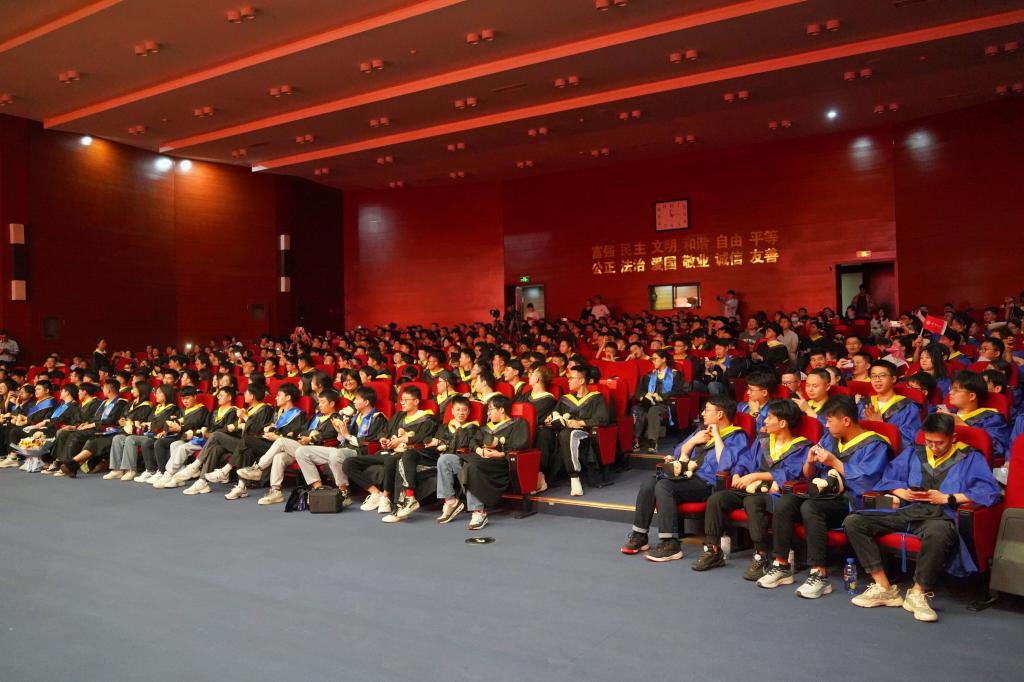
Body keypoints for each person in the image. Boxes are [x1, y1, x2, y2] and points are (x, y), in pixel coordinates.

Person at [843, 413, 1001, 622]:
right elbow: (889, 478)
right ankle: (883, 587)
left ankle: (917, 593)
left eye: (939, 443)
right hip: (909, 510)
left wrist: (948, 498)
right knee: (854, 521)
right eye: (929, 441)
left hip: (941, 515)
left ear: (953, 437)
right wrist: (902, 492)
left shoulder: (969, 456)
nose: (933, 447)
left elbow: (989, 492)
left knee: (939, 532)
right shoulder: (914, 451)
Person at [759, 396, 890, 596]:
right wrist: (809, 462)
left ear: (846, 420)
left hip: (852, 500)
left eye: (829, 420)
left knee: (811, 507)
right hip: (822, 493)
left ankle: (819, 574)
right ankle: (781, 564)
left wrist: (834, 462)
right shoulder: (830, 438)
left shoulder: (875, 444)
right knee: (786, 502)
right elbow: (809, 475)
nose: (825, 425)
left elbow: (867, 482)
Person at [621, 396, 750, 562]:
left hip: (707, 483)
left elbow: (725, 465)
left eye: (707, 410)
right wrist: (694, 441)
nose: (702, 413)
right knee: (649, 483)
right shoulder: (701, 430)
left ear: (720, 414)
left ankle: (671, 544)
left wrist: (717, 437)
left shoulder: (737, 436)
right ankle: (640, 535)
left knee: (664, 486)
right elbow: (678, 453)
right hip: (686, 476)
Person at [691, 399, 811, 578]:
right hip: (749, 487)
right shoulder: (763, 441)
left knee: (753, 502)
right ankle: (713, 550)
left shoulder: (801, 447)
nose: (764, 421)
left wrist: (756, 476)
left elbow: (792, 473)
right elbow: (745, 460)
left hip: (775, 493)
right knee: (717, 499)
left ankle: (761, 556)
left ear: (782, 423)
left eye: (769, 417)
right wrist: (738, 474)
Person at [436, 395, 528, 530]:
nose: (488, 413)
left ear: (501, 409)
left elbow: (520, 445)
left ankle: (479, 512)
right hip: (478, 458)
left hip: (498, 464)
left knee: (470, 467)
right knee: (445, 460)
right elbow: (473, 442)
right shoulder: (486, 428)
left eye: (490, 409)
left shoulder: (518, 424)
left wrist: (501, 453)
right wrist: (479, 450)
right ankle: (451, 502)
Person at [235, 389, 341, 505]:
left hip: (318, 451)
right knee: (279, 457)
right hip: (302, 449)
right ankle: (276, 491)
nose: (319, 405)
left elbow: (332, 434)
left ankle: (259, 468)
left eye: (322, 402)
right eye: (319, 402)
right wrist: (296, 434)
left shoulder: (336, 418)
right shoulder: (316, 417)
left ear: (332, 403)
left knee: (280, 441)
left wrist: (312, 438)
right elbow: (302, 429)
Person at [343, 385, 437, 514]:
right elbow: (385, 432)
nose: (402, 402)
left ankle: (386, 498)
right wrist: (384, 439)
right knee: (349, 463)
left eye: (405, 400)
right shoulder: (398, 416)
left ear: (416, 401)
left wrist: (402, 440)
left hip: (407, 455)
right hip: (388, 452)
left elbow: (423, 437)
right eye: (401, 400)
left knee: (389, 460)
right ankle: (376, 493)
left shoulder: (427, 418)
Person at [294, 386, 390, 505]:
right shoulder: (355, 417)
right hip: (343, 449)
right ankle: (318, 488)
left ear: (366, 402)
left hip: (360, 452)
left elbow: (370, 441)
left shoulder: (377, 418)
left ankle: (344, 492)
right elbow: (343, 439)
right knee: (302, 452)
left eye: (357, 399)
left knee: (336, 454)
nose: (354, 402)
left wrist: (347, 435)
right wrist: (340, 432)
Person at [216, 383, 307, 500]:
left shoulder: (298, 415)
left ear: (288, 397)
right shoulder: (278, 412)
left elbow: (294, 436)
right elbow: (265, 427)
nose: (276, 398)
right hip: (269, 443)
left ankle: (228, 471)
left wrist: (276, 436)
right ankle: (241, 486)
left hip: (282, 446)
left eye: (279, 395)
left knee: (246, 440)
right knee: (247, 448)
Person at [182, 384, 275, 495]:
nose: (244, 395)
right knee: (216, 448)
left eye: (246, 393)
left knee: (216, 435)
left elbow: (257, 430)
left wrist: (244, 418)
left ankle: (196, 465)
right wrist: (238, 423)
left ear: (252, 396)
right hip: (241, 441)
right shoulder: (248, 409)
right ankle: (202, 481)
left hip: (253, 445)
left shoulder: (265, 409)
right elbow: (237, 428)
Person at [552, 366, 609, 497]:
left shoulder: (596, 398)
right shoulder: (565, 399)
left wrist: (580, 423)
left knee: (568, 434)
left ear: (582, 380)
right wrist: (552, 419)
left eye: (571, 378)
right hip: (563, 434)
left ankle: (574, 477)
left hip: (586, 434)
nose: (568, 381)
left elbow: (603, 419)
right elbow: (555, 414)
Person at [164, 387, 238, 487]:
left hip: (217, 441)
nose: (218, 397)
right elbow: (206, 427)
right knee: (175, 444)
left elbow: (229, 431)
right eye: (218, 395)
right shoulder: (216, 411)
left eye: (221, 395)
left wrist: (205, 434)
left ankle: (170, 474)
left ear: (229, 397)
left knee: (183, 447)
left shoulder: (233, 412)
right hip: (205, 439)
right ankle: (177, 476)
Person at [938, 371, 1009, 461]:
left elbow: (997, 448)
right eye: (950, 388)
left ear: (971, 396)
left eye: (956, 390)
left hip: (970, 463)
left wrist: (962, 425)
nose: (950, 393)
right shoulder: (947, 413)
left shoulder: (991, 418)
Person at [630, 350, 685, 453]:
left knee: (654, 410)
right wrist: (643, 397)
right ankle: (635, 439)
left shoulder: (675, 375)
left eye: (655, 359)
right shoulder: (650, 375)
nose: (653, 361)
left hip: (665, 404)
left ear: (663, 359)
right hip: (649, 403)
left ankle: (653, 442)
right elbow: (639, 390)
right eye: (652, 359)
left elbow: (679, 391)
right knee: (636, 409)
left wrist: (662, 397)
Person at [858, 360, 921, 447]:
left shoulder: (908, 407)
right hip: (862, 451)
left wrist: (880, 425)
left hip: (889, 453)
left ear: (893, 379)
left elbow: (908, 441)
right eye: (873, 376)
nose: (877, 380)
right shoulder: (863, 404)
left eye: (882, 376)